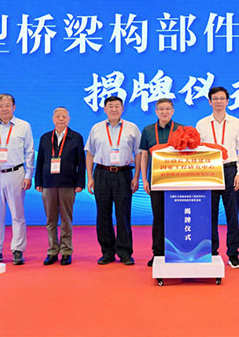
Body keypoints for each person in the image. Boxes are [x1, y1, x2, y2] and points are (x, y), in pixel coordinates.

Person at [85, 96, 141, 266]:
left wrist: (136, 177)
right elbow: (90, 153)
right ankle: (107, 252)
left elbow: (139, 153)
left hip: (123, 174)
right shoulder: (96, 128)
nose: (114, 109)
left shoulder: (132, 128)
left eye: (117, 106)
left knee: (123, 214)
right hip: (102, 173)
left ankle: (125, 252)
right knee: (103, 214)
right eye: (110, 106)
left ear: (122, 108)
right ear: (105, 109)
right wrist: (90, 177)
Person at [196, 86, 239, 269]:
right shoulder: (202, 124)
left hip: (230, 170)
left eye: (222, 98)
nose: (219, 101)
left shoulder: (236, 123)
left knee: (232, 214)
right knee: (209, 215)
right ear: (210, 102)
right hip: (209, 172)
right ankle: (211, 252)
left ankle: (233, 254)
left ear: (227, 101)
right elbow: (197, 150)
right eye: (215, 98)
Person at [0, 93, 34, 265]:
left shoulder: (24, 126)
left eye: (7, 105)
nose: (4, 109)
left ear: (14, 107)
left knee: (17, 215)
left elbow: (29, 152)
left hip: (15, 173)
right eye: (0, 106)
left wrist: (28, 175)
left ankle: (17, 250)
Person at [35, 107, 86, 266]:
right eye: (58, 116)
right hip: (48, 183)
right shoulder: (45, 138)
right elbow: (40, 161)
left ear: (69, 119)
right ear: (53, 119)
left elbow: (81, 163)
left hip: (68, 183)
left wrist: (80, 183)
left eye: (64, 116)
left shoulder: (76, 137)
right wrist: (38, 182)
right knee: (50, 220)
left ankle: (66, 251)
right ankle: (52, 251)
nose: (61, 119)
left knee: (66, 220)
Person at [139, 98, 182, 267]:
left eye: (167, 109)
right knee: (158, 218)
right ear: (156, 111)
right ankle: (158, 253)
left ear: (173, 111)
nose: (164, 112)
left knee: (176, 217)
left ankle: (177, 252)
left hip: (176, 182)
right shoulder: (148, 130)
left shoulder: (181, 129)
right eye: (161, 109)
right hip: (155, 181)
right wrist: (144, 179)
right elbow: (144, 155)